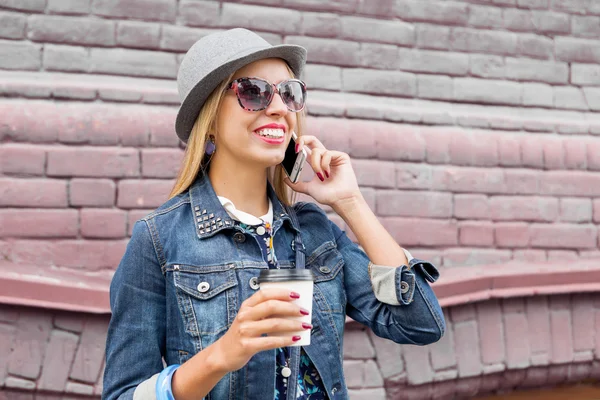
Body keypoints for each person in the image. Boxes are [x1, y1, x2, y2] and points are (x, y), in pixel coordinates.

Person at [102, 28, 445, 400]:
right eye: (254, 92)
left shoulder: (315, 232)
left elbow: (421, 325)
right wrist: (221, 355)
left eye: (289, 93)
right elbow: (123, 394)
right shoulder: (159, 240)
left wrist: (349, 203)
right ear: (210, 117)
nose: (280, 108)